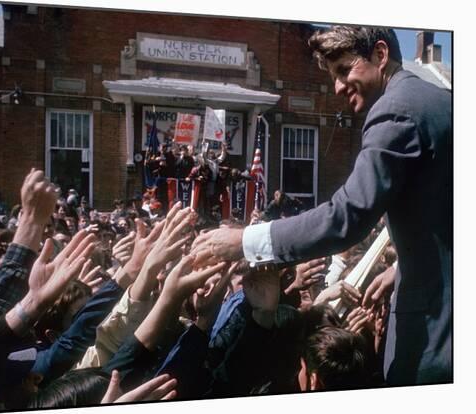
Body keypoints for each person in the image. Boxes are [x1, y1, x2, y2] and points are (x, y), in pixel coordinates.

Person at [192, 26, 452, 386]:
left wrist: (243, 241)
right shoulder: (443, 102)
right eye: (333, 76)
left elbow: (347, 216)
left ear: (380, 55)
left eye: (345, 70)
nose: (338, 87)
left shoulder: (395, 110)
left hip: (437, 340)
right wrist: (403, 266)